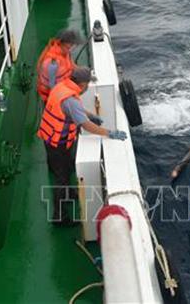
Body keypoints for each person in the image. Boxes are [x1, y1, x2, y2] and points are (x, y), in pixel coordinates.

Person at [37, 66, 127, 226]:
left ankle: (69, 193)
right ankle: (60, 217)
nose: (87, 87)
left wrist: (91, 115)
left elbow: (76, 110)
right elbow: (85, 126)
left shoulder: (62, 87)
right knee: (62, 178)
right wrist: (109, 133)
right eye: (87, 84)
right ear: (83, 84)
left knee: (66, 168)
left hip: (50, 138)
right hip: (58, 144)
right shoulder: (70, 99)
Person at [36, 29, 84, 103]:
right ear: (65, 43)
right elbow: (52, 87)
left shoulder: (65, 53)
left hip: (64, 86)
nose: (73, 47)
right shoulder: (52, 62)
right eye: (72, 44)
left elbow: (72, 66)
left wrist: (83, 74)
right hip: (52, 96)